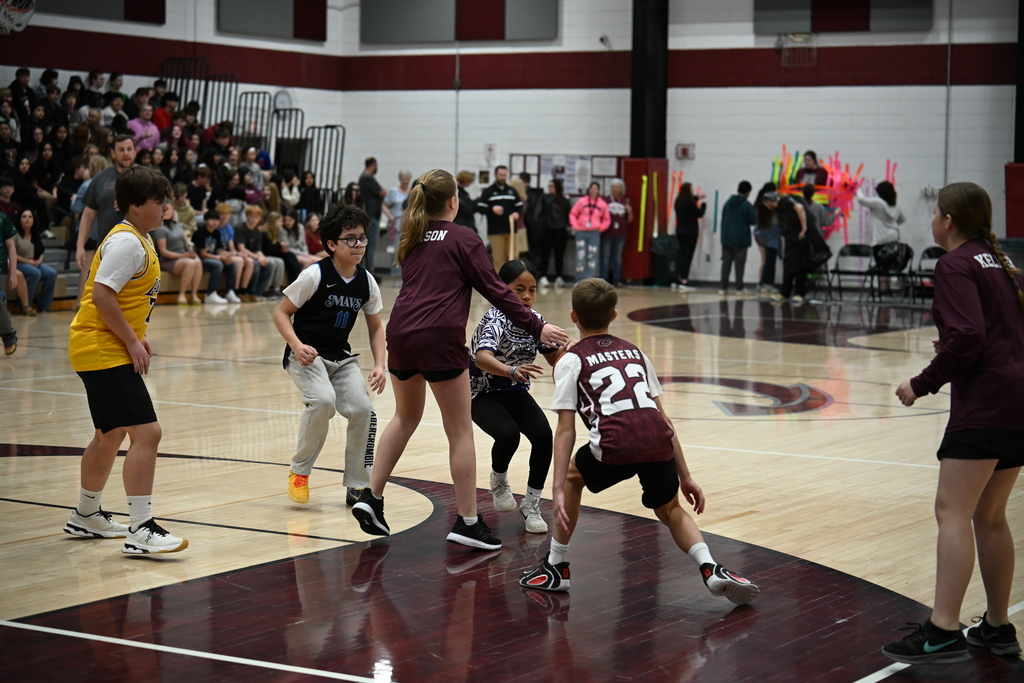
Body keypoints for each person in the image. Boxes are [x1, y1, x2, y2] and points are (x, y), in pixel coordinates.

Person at [350, 169, 567, 550]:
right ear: (454, 201)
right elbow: (498, 290)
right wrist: (537, 326)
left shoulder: (413, 237)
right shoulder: (464, 238)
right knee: (459, 432)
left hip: (399, 332)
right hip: (438, 337)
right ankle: (468, 522)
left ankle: (372, 496)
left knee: (404, 417)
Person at [518, 278, 759, 604]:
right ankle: (710, 567)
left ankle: (557, 567)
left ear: (573, 317)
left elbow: (565, 429)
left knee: (574, 475)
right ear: (615, 315)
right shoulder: (635, 352)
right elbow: (664, 420)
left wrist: (558, 487)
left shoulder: (572, 360)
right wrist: (685, 476)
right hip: (658, 442)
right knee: (671, 507)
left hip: (616, 445)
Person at [882, 182, 1024, 664]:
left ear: (948, 221)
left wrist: (922, 382)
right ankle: (998, 627)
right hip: (1016, 400)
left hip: (985, 403)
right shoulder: (1002, 265)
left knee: (953, 512)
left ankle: (943, 630)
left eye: (935, 214)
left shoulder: (954, 263)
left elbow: (968, 337)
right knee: (989, 515)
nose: (932, 221)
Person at [62, 165, 188, 555]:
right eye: (158, 201)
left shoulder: (139, 238)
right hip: (101, 348)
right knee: (147, 433)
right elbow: (101, 296)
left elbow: (121, 299)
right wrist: (132, 342)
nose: (166, 207)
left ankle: (86, 515)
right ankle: (141, 528)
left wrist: (137, 337)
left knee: (110, 434)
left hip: (99, 345)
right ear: (134, 206)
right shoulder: (128, 243)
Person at [274, 204, 386, 507]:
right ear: (332, 244)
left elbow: (376, 328)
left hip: (341, 358)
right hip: (307, 356)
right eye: (351, 239)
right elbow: (282, 313)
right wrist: (297, 346)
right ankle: (299, 473)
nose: (359, 244)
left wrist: (379, 364)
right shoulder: (314, 275)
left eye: (362, 238)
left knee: (364, 410)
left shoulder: (367, 281)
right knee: (323, 402)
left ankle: (358, 486)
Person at [470, 259, 561, 534]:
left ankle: (531, 505)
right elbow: (482, 358)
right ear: (501, 289)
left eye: (532, 290)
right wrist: (511, 369)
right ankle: (498, 480)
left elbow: (556, 358)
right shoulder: (494, 319)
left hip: (514, 392)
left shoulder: (536, 322)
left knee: (544, 436)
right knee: (509, 435)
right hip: (481, 393)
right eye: (518, 289)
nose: (526, 296)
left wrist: (575, 351)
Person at [75, 135, 136, 309]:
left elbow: (167, 211)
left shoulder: (147, 178)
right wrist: (80, 245)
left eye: (129, 149)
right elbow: (88, 215)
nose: (126, 154)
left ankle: (134, 336)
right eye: (121, 150)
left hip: (138, 252)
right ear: (112, 153)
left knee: (131, 306)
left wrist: (133, 204)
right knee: (101, 302)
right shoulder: (100, 179)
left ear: (135, 151)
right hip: (106, 251)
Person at [857, 180, 907, 294]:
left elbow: (861, 200)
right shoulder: (896, 206)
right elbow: (902, 219)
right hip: (893, 237)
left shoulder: (878, 203)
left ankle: (883, 289)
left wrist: (858, 189)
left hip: (880, 239)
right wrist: (891, 225)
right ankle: (887, 288)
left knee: (881, 265)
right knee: (888, 265)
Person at [762, 191, 811, 302]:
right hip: (790, 238)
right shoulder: (779, 208)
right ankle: (786, 292)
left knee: (799, 265)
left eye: (767, 204)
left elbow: (800, 208)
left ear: (771, 201)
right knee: (789, 264)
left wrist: (804, 228)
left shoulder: (785, 202)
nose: (768, 207)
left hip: (798, 237)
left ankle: (798, 293)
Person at [152, 203, 203, 306]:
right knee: (190, 263)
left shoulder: (179, 225)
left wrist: (190, 250)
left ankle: (194, 294)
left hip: (183, 256)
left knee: (197, 261)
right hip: (168, 259)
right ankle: (182, 295)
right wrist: (182, 256)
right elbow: (163, 251)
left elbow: (187, 243)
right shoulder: (160, 228)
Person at [476, 165, 522, 271]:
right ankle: (500, 283)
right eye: (500, 175)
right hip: (495, 230)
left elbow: (519, 206)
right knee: (498, 258)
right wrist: (492, 209)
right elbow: (480, 207)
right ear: (496, 175)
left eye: (504, 175)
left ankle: (513, 280)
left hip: (510, 230)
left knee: (513, 256)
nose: (502, 177)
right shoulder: (488, 191)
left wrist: (517, 214)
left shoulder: (512, 191)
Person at [13, 207, 57, 313]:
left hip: (34, 263)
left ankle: (42, 304)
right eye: (24, 217)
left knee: (52, 273)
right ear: (20, 219)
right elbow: (12, 254)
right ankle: (25, 304)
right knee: (35, 273)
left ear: (33, 220)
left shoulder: (36, 234)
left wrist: (39, 260)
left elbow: (41, 251)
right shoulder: (15, 234)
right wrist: (28, 262)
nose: (27, 219)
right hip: (19, 263)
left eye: (30, 217)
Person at [192, 210, 240, 304]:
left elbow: (218, 250)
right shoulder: (200, 232)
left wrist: (227, 255)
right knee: (217, 265)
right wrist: (219, 258)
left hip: (213, 257)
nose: (215, 222)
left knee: (232, 263)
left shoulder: (216, 232)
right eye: (212, 220)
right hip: (201, 259)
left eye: (217, 220)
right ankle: (210, 293)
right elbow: (202, 254)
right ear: (206, 220)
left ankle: (229, 291)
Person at [719, 181, 757, 295]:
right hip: (740, 239)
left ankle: (722, 288)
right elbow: (753, 221)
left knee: (726, 263)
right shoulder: (746, 205)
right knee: (739, 265)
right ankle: (739, 288)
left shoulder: (727, 203)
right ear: (747, 192)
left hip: (726, 238)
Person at [569, 181, 610, 282]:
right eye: (592, 188)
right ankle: (579, 280)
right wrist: (575, 226)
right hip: (581, 232)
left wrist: (601, 228)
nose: (593, 190)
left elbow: (607, 219)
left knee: (592, 256)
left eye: (596, 189)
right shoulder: (582, 201)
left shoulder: (602, 204)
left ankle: (589, 280)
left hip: (594, 233)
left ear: (599, 191)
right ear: (589, 189)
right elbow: (573, 214)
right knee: (581, 256)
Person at [538, 178, 571, 287]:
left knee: (559, 255)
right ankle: (543, 276)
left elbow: (568, 215)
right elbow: (540, 213)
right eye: (549, 186)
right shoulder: (545, 198)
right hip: (547, 230)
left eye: (552, 186)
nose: (550, 188)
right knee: (545, 254)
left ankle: (559, 277)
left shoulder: (564, 200)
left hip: (560, 231)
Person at [600, 179, 632, 287]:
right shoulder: (605, 200)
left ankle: (617, 279)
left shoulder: (625, 201)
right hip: (607, 232)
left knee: (617, 256)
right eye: (613, 187)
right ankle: (603, 279)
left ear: (621, 189)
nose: (615, 189)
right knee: (605, 256)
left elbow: (630, 220)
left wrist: (629, 211)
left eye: (617, 187)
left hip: (621, 233)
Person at [674, 183, 706, 290]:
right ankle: (684, 280)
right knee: (687, 257)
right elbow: (699, 213)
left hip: (680, 231)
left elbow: (690, 202)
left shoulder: (679, 201)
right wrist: (704, 204)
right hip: (690, 233)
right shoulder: (689, 202)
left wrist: (697, 197)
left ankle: (679, 278)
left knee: (682, 256)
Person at [358, 157, 386, 275]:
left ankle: (367, 271)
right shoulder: (367, 178)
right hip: (372, 214)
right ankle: (369, 272)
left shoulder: (362, 178)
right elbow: (382, 192)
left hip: (369, 214)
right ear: (373, 165)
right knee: (371, 245)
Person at [382, 170, 412, 273]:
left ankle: (405, 276)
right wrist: (390, 217)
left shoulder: (412, 192)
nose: (405, 181)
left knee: (408, 253)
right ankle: (395, 275)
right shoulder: (393, 191)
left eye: (407, 179)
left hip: (408, 227)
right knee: (394, 252)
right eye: (403, 179)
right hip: (395, 225)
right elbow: (384, 206)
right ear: (400, 179)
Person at [753, 182, 781, 295]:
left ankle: (761, 283)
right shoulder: (772, 201)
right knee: (769, 259)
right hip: (770, 233)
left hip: (759, 233)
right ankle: (766, 283)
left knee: (764, 260)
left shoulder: (758, 202)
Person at [0, 212, 18, 353]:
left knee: (0, 304)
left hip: (0, 269)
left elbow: (11, 247)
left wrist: (13, 273)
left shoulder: (2, 218)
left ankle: (8, 336)